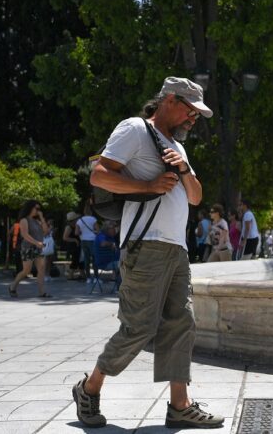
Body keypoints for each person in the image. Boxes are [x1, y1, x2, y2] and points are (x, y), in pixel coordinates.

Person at [73, 77, 223, 429]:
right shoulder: (135, 130)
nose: (193, 119)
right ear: (169, 100)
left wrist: (184, 170)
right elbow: (98, 175)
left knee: (180, 323)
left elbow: (196, 197)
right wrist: (147, 186)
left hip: (177, 248)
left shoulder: (178, 147)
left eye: (197, 115)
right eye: (190, 111)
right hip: (145, 244)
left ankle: (180, 405)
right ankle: (89, 388)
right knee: (139, 327)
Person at [8, 200, 52, 298]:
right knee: (26, 271)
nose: (38, 210)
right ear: (30, 208)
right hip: (28, 248)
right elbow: (24, 234)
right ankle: (13, 286)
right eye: (36, 208)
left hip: (38, 248)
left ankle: (42, 292)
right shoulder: (24, 220)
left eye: (39, 209)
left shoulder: (37, 221)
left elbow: (46, 231)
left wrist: (41, 217)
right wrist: (36, 243)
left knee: (41, 269)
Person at [75, 211, 99, 282]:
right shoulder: (93, 219)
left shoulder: (79, 220)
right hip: (92, 240)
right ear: (91, 212)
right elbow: (98, 230)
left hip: (83, 241)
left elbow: (76, 232)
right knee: (94, 258)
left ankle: (88, 278)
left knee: (86, 259)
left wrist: (82, 232)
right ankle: (96, 277)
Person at [62, 212, 83, 279]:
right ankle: (70, 275)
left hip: (77, 245)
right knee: (75, 259)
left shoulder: (75, 226)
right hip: (73, 246)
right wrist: (75, 240)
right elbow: (65, 237)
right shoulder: (69, 227)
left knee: (79, 260)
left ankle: (82, 274)